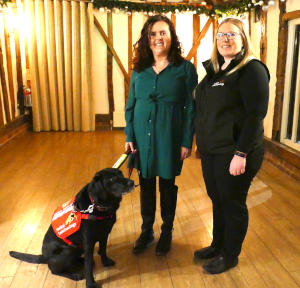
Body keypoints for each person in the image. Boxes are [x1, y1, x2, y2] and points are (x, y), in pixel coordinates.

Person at [193, 18, 269, 274]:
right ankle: (217, 244)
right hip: (213, 149)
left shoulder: (251, 69)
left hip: (236, 150)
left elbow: (255, 115)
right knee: (217, 199)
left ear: (243, 38)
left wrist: (241, 153)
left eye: (232, 34)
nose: (225, 39)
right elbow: (206, 109)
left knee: (232, 202)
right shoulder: (217, 70)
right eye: (221, 35)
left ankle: (230, 255)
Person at [124, 15, 198, 256]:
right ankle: (147, 231)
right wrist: (129, 135)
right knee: (145, 185)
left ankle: (167, 231)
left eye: (163, 33)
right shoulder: (139, 70)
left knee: (167, 185)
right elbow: (130, 105)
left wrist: (187, 140)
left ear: (172, 37)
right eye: (153, 34)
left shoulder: (185, 69)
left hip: (170, 136)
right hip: (142, 137)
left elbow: (190, 107)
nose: (158, 38)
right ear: (147, 38)